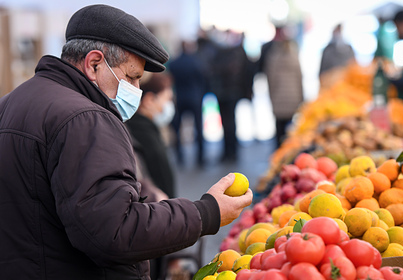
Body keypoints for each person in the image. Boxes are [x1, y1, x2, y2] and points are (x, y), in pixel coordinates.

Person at [0, 4, 253, 280]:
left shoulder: (12, 103)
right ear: (94, 64)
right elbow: (114, 231)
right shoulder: (86, 118)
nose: (137, 90)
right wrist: (207, 212)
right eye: (131, 77)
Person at [126, 72, 176, 199]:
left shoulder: (144, 128)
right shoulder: (145, 134)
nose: (168, 106)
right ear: (149, 100)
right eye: (166, 100)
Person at [258, 25, 304, 148]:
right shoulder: (294, 57)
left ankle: (279, 150)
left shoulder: (273, 58)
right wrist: (301, 97)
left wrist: (272, 96)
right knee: (290, 127)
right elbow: (300, 78)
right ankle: (288, 149)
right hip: (293, 97)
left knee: (279, 127)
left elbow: (270, 79)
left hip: (278, 96)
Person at [211, 30, 254, 162]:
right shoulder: (234, 53)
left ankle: (231, 151)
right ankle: (230, 151)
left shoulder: (223, 54)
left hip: (228, 93)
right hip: (228, 93)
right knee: (228, 122)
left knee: (229, 123)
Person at [167, 41, 207, 167]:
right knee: (198, 128)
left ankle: (180, 156)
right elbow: (203, 78)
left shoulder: (174, 63)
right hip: (195, 97)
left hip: (180, 98)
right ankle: (200, 157)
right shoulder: (196, 61)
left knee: (178, 128)